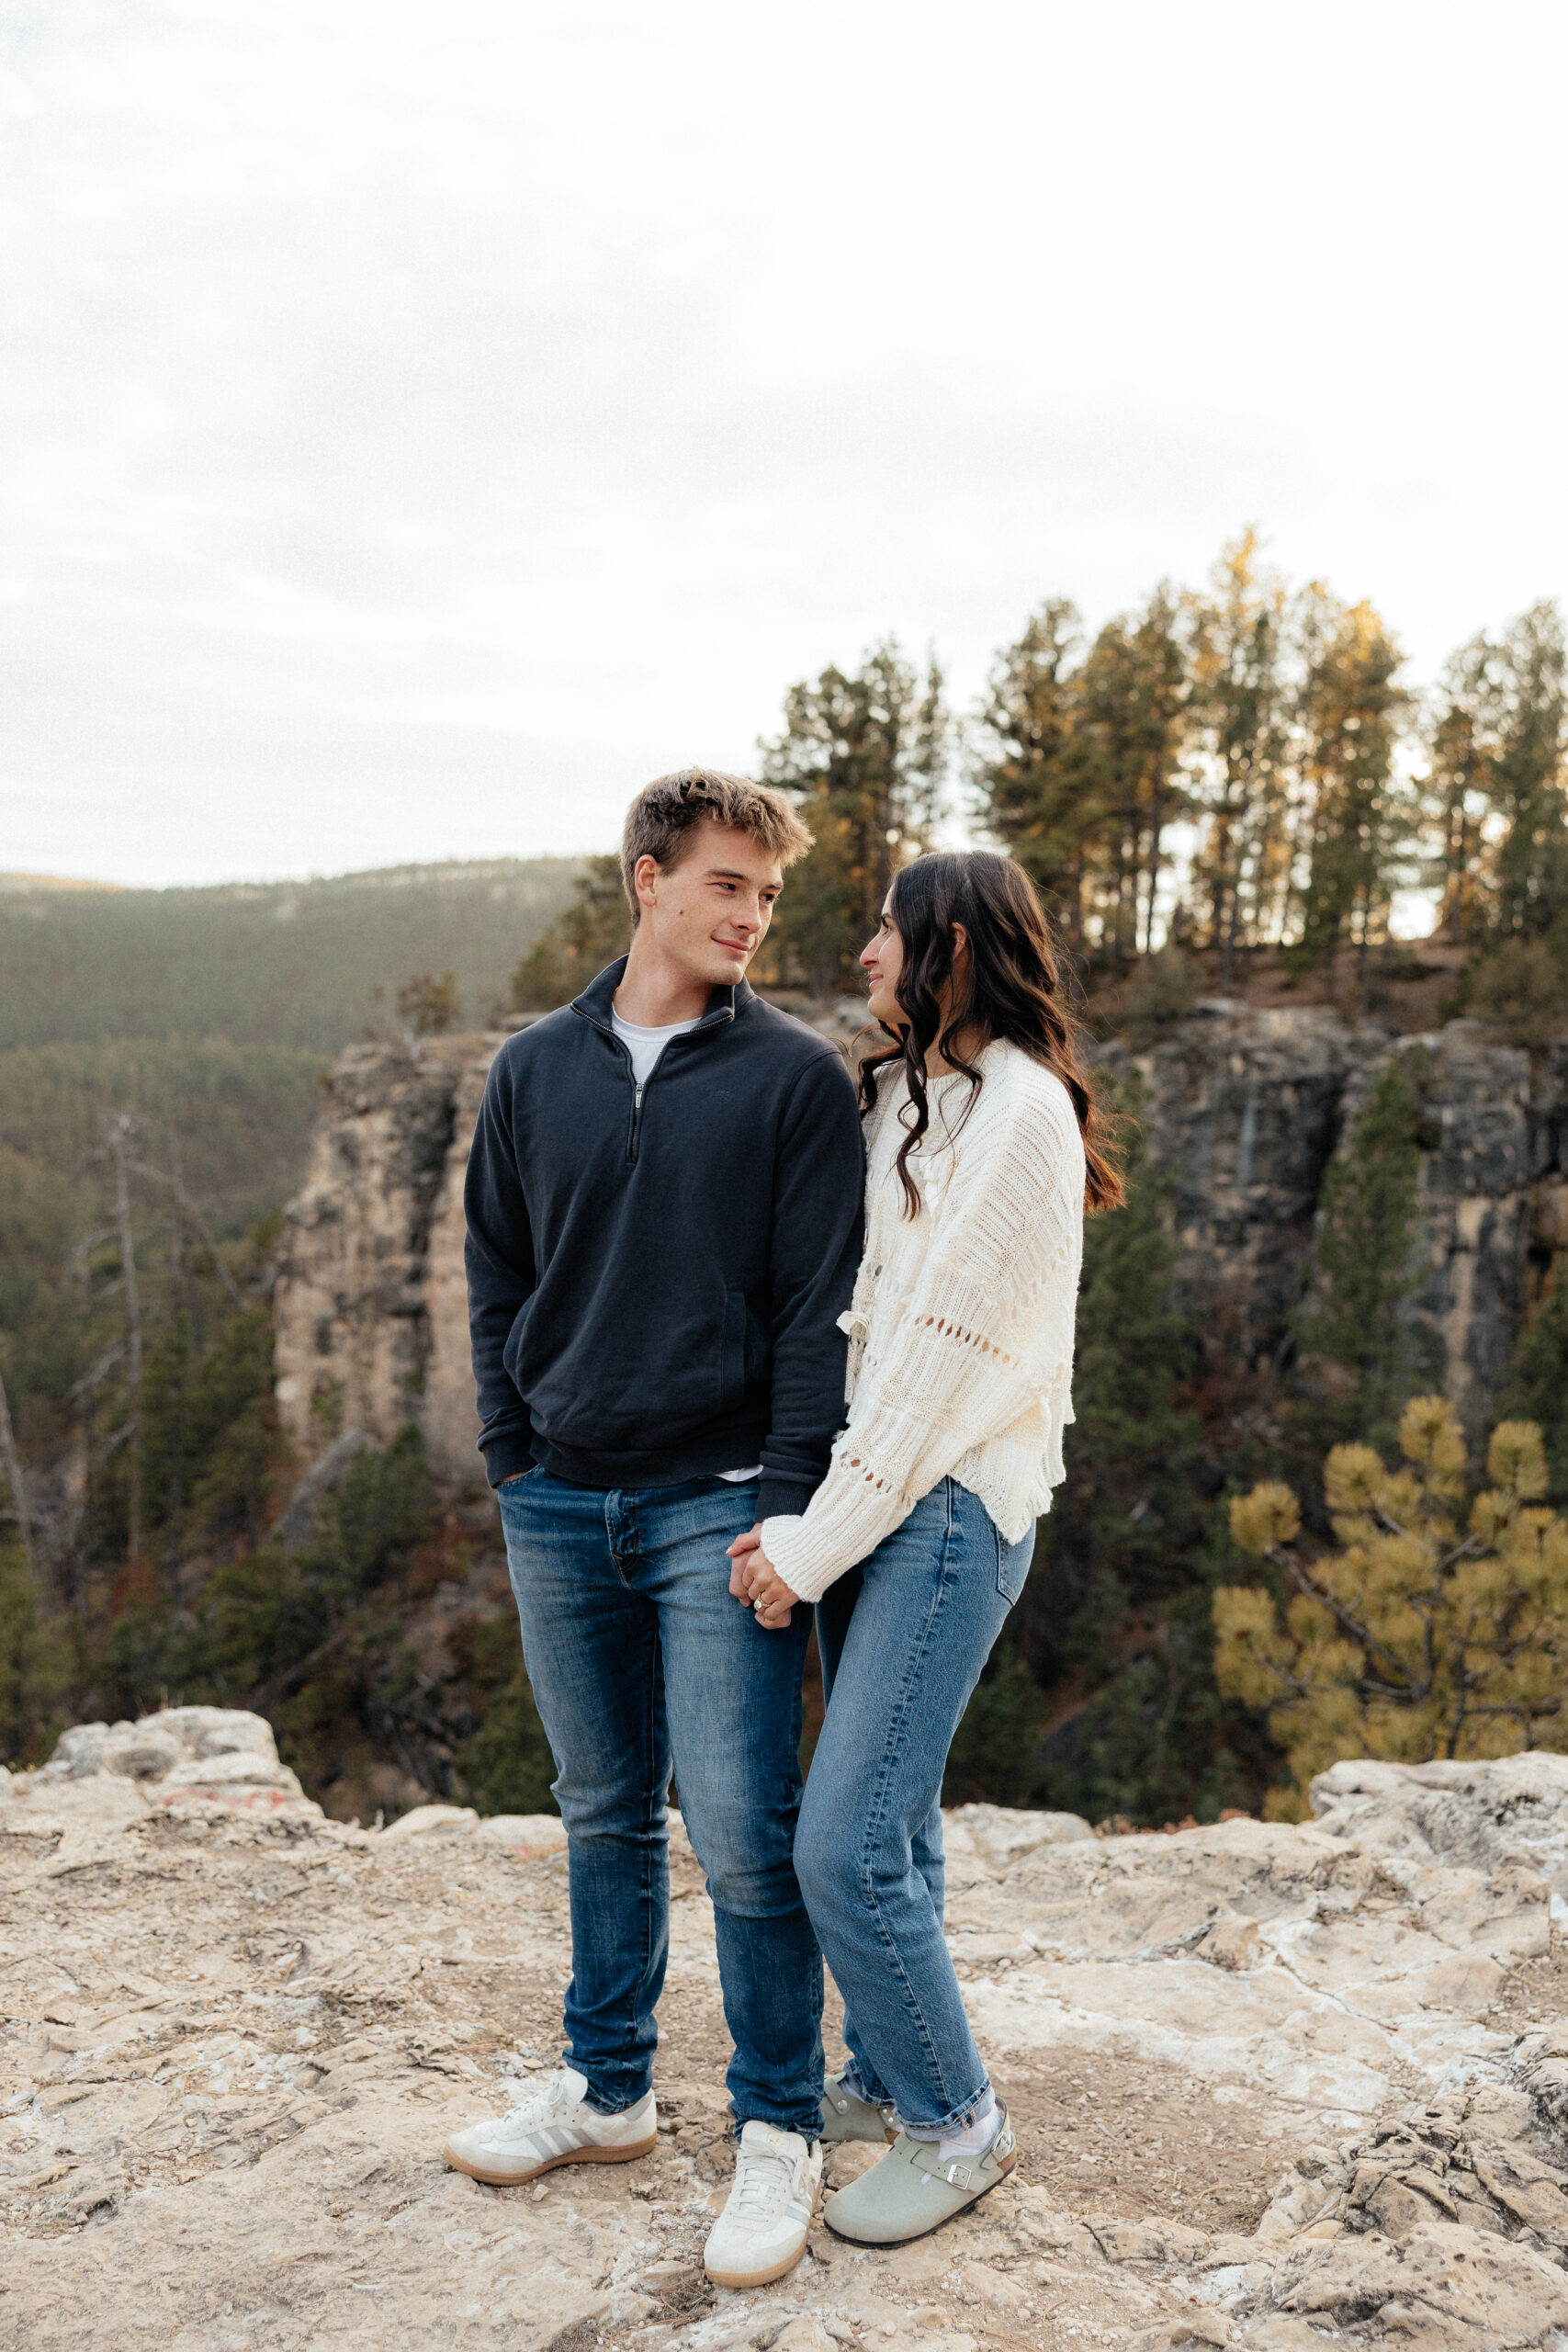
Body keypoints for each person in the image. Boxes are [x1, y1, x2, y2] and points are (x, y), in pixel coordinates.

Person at [446, 768, 864, 2290]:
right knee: (602, 1806)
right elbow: (497, 1276)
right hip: (557, 1497)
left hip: (719, 1511)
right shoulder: (531, 1069)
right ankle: (607, 2089)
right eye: (725, 886)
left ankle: (778, 2128)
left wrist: (783, 1503)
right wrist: (510, 1454)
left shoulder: (796, 1083)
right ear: (648, 880)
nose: (750, 916)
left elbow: (820, 1317)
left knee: (745, 1824)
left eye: (766, 893)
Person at [730, 849, 1122, 2247]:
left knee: (839, 1843)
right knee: (890, 1818)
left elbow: (935, 1364)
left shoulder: (1020, 1117)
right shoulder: (911, 1096)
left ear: (951, 949)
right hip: (883, 1493)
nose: (868, 959)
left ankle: (959, 2127)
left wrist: (810, 1543)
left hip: (947, 1508)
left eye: (889, 937)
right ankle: (883, 2076)